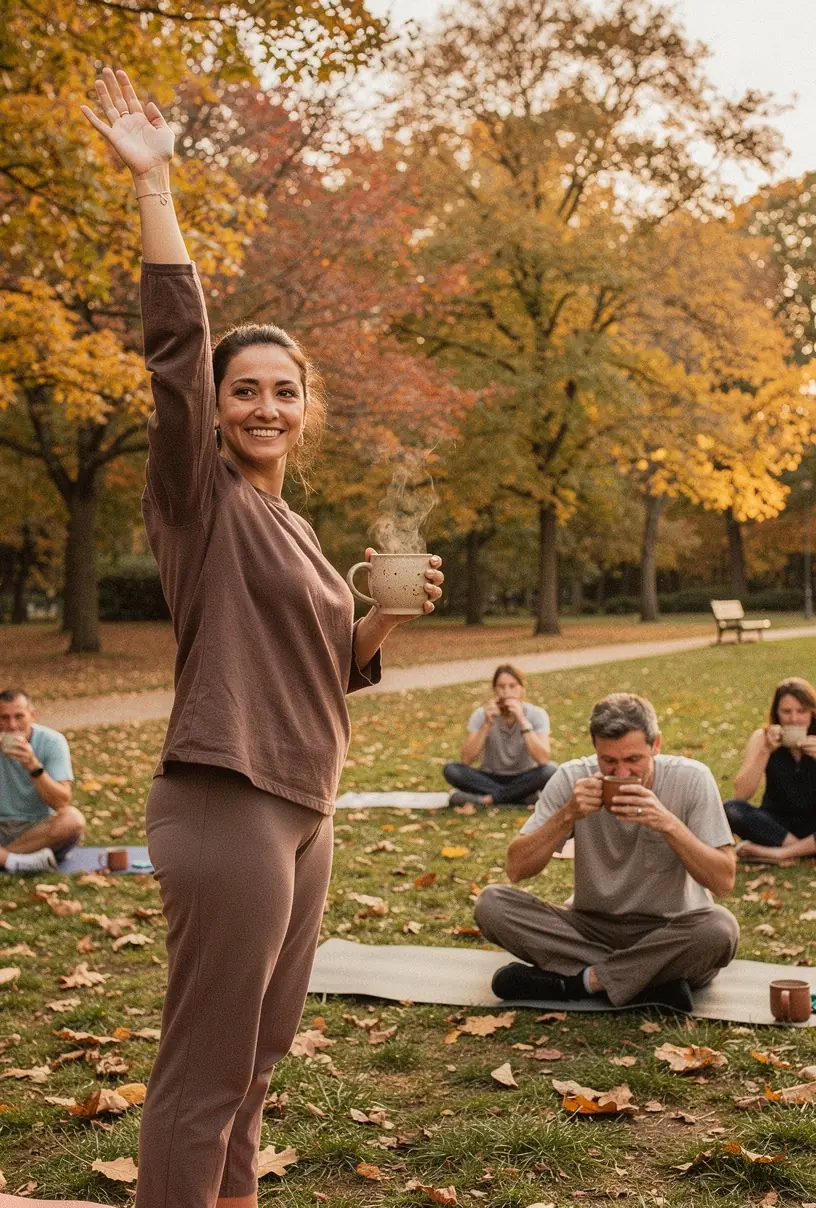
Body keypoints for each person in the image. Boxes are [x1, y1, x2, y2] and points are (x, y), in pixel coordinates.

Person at [80, 67, 443, 1208]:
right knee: (203, 1072)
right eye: (246, 389)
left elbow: (325, 670)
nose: (264, 406)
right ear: (223, 404)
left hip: (306, 805)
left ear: (306, 405)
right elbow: (176, 357)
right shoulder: (203, 497)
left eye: (285, 390)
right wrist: (156, 188)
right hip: (224, 795)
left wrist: (378, 614)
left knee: (259, 1061)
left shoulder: (291, 524)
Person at [475, 692, 738, 1013]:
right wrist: (568, 814)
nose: (621, 773)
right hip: (589, 928)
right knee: (492, 905)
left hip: (670, 934)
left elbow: (723, 879)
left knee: (720, 930)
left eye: (633, 760)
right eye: (609, 761)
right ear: (595, 749)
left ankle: (576, 983)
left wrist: (668, 823)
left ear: (656, 746)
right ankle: (647, 983)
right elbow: (516, 868)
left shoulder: (691, 779)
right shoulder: (573, 778)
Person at [724, 676, 816, 863]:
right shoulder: (762, 738)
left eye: (801, 711)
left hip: (813, 824)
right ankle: (803, 851)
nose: (794, 719)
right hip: (777, 824)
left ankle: (779, 854)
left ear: (812, 713)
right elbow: (741, 794)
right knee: (731, 809)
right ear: (776, 713)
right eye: (786, 712)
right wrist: (765, 750)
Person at [443, 664, 556, 806]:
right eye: (501, 687)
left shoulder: (536, 715)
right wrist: (486, 725)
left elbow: (543, 759)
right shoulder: (481, 715)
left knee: (550, 770)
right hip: (489, 777)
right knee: (451, 769)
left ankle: (486, 800)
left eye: (512, 686)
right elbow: (466, 759)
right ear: (495, 690)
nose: (506, 692)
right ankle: (519, 797)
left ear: (522, 689)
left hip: (524, 776)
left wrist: (522, 721)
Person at [0, 688, 84, 874]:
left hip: (37, 831)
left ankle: (7, 858)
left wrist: (33, 765)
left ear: (33, 716)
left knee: (72, 820)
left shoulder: (52, 741)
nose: (12, 726)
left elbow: (61, 802)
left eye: (19, 717)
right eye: (4, 718)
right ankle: (20, 862)